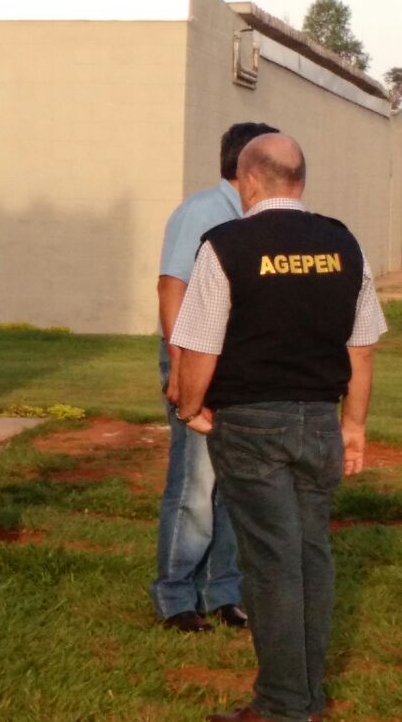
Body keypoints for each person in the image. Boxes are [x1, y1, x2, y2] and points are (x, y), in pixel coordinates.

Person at [172, 133, 386, 722]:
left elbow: (201, 347)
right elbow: (362, 347)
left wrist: (190, 408)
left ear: (249, 182)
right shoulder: (342, 242)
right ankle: (307, 699)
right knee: (311, 556)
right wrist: (354, 426)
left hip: (250, 424)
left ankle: (281, 705)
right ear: (300, 181)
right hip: (319, 421)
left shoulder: (226, 244)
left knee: (272, 564)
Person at [153, 122, 279, 632]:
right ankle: (176, 596)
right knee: (195, 484)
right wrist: (181, 367)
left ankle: (221, 591)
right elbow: (171, 287)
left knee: (231, 485)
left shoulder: (255, 218)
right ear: (250, 166)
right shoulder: (204, 211)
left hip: (237, 367)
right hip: (196, 364)